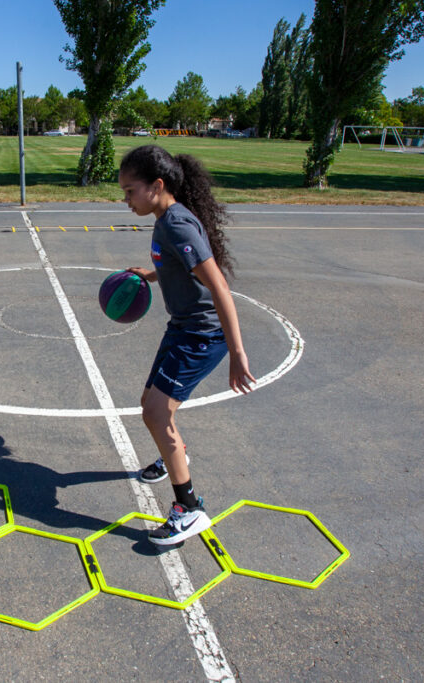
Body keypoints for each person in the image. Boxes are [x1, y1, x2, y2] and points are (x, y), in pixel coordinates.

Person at [119, 144, 256, 546]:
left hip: (201, 335)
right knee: (151, 406)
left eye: (130, 191)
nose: (125, 199)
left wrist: (237, 353)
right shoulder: (165, 219)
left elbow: (220, 288)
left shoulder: (176, 224)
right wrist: (152, 274)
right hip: (182, 328)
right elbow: (180, 267)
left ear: (157, 186)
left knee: (157, 413)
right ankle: (174, 454)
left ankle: (189, 508)